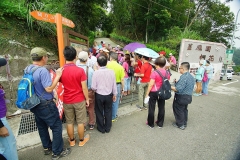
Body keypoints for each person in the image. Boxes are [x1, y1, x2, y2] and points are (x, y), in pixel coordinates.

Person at [28, 47, 71, 159]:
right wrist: (58, 75)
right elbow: (49, 88)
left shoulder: (28, 69)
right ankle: (57, 152)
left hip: (34, 103)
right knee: (56, 126)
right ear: (43, 58)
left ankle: (47, 147)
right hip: (45, 104)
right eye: (46, 56)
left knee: (42, 126)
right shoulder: (42, 70)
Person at [60, 46, 90, 147]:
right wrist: (87, 99)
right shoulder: (80, 71)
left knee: (69, 121)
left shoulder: (61, 70)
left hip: (67, 100)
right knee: (80, 121)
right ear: (75, 57)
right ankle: (81, 140)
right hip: (79, 99)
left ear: (64, 56)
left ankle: (72, 140)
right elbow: (84, 88)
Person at [91, 55, 117, 133]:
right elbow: (114, 85)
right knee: (108, 111)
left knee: (99, 111)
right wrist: (114, 94)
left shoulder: (96, 73)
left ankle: (101, 128)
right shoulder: (112, 72)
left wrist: (96, 89)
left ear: (98, 63)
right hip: (109, 94)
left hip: (99, 94)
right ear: (106, 63)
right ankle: (108, 127)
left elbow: (93, 87)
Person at [0, 58, 18, 160]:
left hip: (2, 116)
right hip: (0, 120)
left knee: (3, 146)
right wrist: (1, 126)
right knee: (9, 145)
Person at [145, 57, 170, 128]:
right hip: (162, 91)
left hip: (154, 92)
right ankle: (160, 123)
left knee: (152, 108)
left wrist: (147, 94)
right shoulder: (167, 72)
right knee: (161, 107)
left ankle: (151, 124)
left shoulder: (154, 73)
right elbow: (167, 81)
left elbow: (150, 84)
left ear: (157, 64)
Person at [171, 62, 195, 130]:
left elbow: (178, 89)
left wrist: (169, 86)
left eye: (180, 68)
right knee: (184, 110)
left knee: (179, 110)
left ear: (183, 68)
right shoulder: (191, 76)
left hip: (181, 97)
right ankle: (184, 122)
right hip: (188, 96)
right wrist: (177, 83)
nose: (179, 70)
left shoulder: (184, 77)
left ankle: (180, 124)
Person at [77, 51, 95, 130]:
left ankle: (83, 125)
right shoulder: (90, 70)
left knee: (81, 109)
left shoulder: (76, 69)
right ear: (87, 59)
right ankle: (91, 123)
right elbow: (93, 82)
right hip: (89, 91)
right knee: (91, 108)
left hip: (78, 92)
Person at [107, 52, 125, 121]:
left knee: (108, 100)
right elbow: (122, 79)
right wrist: (123, 88)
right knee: (115, 101)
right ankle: (113, 117)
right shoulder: (120, 67)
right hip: (117, 85)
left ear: (111, 58)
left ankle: (107, 115)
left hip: (108, 85)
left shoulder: (107, 65)